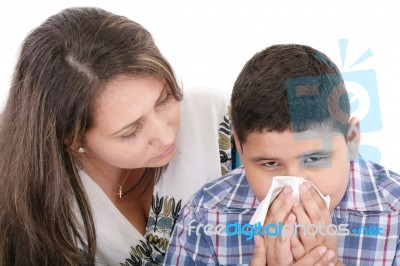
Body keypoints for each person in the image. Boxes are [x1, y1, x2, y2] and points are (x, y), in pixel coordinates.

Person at [0, 7, 231, 265]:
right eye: (131, 131)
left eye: (164, 100)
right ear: (73, 139)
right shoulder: (46, 210)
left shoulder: (216, 116)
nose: (166, 138)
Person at [164, 44, 400, 265]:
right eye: (270, 163)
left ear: (351, 139)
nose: (294, 188)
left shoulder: (395, 212)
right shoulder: (205, 216)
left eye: (314, 159)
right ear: (240, 147)